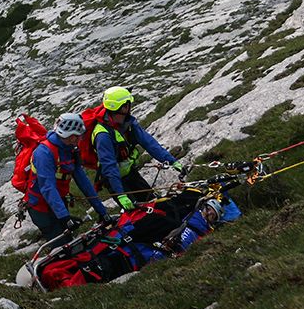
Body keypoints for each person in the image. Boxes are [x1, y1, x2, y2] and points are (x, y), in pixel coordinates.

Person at [85, 86, 185, 209]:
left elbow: (149, 143)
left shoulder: (129, 124)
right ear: (123, 107)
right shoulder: (103, 135)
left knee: (154, 203)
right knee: (136, 211)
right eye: (128, 103)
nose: (130, 106)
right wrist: (121, 194)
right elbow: (109, 167)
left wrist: (171, 161)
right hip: (114, 180)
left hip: (131, 173)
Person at [20, 113, 112, 242]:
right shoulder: (44, 153)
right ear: (71, 136)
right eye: (79, 136)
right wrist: (64, 217)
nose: (80, 139)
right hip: (40, 207)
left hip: (58, 201)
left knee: (69, 239)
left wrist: (101, 211)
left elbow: (83, 181)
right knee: (63, 245)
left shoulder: (71, 149)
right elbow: (48, 188)